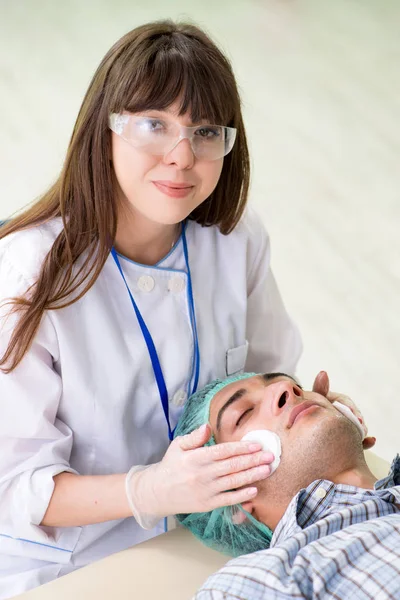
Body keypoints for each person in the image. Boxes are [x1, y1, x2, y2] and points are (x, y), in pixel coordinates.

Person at [0, 20, 304, 597]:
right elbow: (14, 488)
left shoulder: (235, 239)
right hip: (61, 564)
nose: (182, 156)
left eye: (206, 131)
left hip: (203, 538)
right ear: (105, 130)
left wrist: (309, 410)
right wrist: (148, 492)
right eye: (154, 126)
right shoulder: (26, 271)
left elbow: (269, 373)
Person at [174, 372, 399, 600]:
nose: (286, 387)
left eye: (295, 383)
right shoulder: (253, 586)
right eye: (244, 414)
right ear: (236, 502)